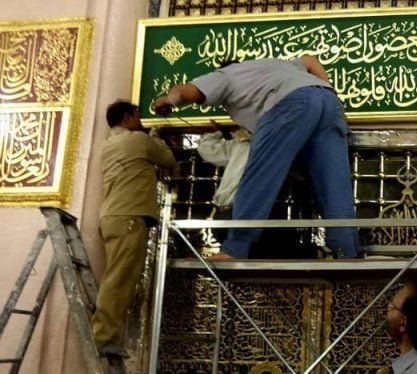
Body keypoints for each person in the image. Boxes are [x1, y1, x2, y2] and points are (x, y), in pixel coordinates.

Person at [152, 56, 358, 260]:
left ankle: (235, 250)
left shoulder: (225, 76)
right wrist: (328, 90)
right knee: (333, 184)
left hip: (290, 103)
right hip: (329, 103)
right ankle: (347, 252)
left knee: (258, 176)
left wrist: (166, 100)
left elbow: (184, 93)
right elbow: (310, 60)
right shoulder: (274, 65)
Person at [92, 101, 176, 354]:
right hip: (128, 217)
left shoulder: (109, 144)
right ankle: (101, 338)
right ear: (128, 118)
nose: (141, 121)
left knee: (118, 277)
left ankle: (106, 335)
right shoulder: (136, 141)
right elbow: (168, 159)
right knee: (119, 280)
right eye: (138, 117)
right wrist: (155, 134)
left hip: (113, 216)